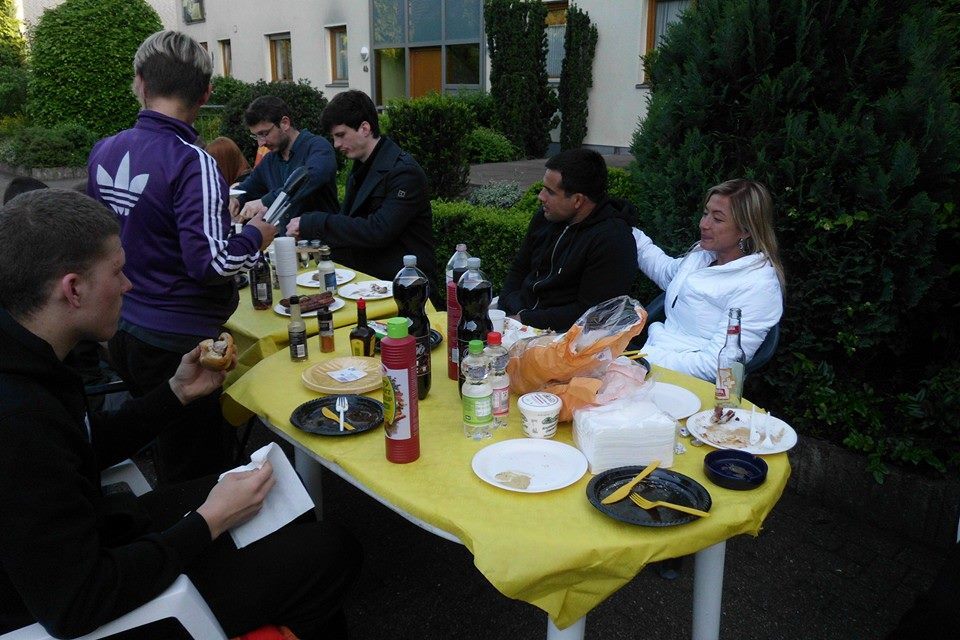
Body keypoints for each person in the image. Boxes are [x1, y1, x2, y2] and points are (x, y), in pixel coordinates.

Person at [0, 189, 359, 639]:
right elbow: (77, 602)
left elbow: (78, 452)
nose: (129, 286)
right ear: (73, 289)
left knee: (288, 505)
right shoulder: (16, 418)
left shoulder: (33, 354)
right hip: (85, 605)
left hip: (101, 535)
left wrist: (175, 393)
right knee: (331, 549)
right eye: (117, 271)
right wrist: (208, 522)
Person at [87, 30, 276, 483]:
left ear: (139, 83)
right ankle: (197, 544)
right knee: (195, 471)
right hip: (177, 341)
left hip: (120, 331)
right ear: (207, 92)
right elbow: (210, 264)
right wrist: (255, 235)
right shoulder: (193, 160)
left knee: (161, 444)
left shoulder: (104, 150)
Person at [633, 179, 785, 381]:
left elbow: (720, 366)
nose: (703, 224)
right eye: (706, 214)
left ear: (746, 230)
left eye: (718, 219)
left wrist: (642, 361)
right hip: (649, 362)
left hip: (689, 385)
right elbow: (666, 272)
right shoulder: (703, 256)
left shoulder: (758, 286)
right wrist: (629, 232)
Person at [284, 89, 436, 284]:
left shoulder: (405, 173)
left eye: (340, 135)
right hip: (368, 281)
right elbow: (351, 226)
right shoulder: (362, 167)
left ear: (365, 128)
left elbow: (377, 231)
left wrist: (314, 223)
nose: (336, 144)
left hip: (406, 288)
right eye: (333, 137)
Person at [497, 148, 639, 332]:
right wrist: (503, 311)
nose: (541, 196)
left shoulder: (612, 240)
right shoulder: (546, 218)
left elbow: (593, 315)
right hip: (518, 320)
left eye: (550, 191)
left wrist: (522, 320)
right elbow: (519, 268)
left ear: (578, 200)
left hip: (565, 337)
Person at [229, 96, 339, 231]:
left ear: (285, 123)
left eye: (264, 133)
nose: (260, 143)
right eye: (256, 136)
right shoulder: (269, 161)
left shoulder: (318, 147)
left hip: (322, 245)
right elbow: (248, 189)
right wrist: (236, 200)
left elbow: (309, 179)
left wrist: (265, 201)